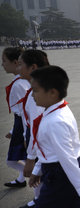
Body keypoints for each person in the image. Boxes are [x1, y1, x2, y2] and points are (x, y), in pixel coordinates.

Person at [28, 65, 80, 208]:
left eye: (35, 90)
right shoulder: (56, 110)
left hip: (61, 173)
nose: (32, 95)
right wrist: (38, 169)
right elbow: (49, 148)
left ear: (52, 92)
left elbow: (66, 157)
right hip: (63, 169)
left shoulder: (56, 121)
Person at [18, 50, 49, 208]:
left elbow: (38, 127)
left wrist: (30, 158)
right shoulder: (33, 91)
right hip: (38, 140)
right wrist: (25, 135)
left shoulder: (38, 94)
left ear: (33, 67)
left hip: (45, 143)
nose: (18, 67)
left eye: (21, 64)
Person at [2, 47, 29, 189]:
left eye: (4, 61)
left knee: (11, 161)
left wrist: (24, 134)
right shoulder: (20, 81)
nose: (2, 64)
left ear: (15, 62)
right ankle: (21, 179)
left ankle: (34, 174)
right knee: (24, 157)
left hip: (23, 125)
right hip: (21, 123)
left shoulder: (19, 84)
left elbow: (25, 112)